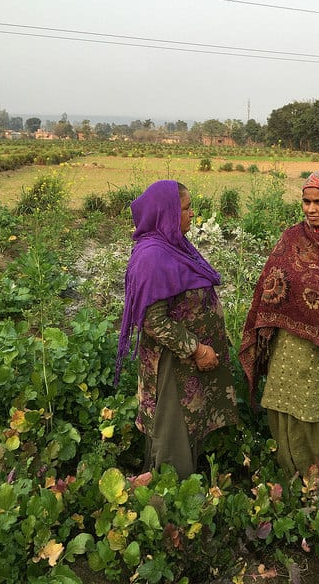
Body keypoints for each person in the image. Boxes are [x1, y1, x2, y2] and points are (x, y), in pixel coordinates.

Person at [239, 168, 319, 489]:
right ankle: (291, 479)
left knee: (314, 412)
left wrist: (298, 288)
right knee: (282, 405)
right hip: (288, 344)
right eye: (306, 201)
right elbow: (271, 281)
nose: (311, 209)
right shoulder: (292, 237)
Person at [116, 180, 238, 479]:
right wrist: (196, 349)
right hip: (172, 363)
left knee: (186, 425)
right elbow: (152, 320)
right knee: (173, 429)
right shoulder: (152, 257)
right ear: (166, 213)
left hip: (187, 361)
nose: (192, 214)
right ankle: (168, 495)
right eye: (185, 208)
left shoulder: (174, 246)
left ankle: (178, 489)